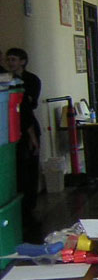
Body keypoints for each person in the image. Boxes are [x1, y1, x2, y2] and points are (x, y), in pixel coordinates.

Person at [6, 48, 42, 241]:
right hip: (13, 127)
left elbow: (29, 106)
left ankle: (29, 205)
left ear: (22, 61)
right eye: (8, 59)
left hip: (26, 127)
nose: (10, 63)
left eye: (13, 59)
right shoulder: (7, 80)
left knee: (30, 166)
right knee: (18, 168)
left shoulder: (31, 80)